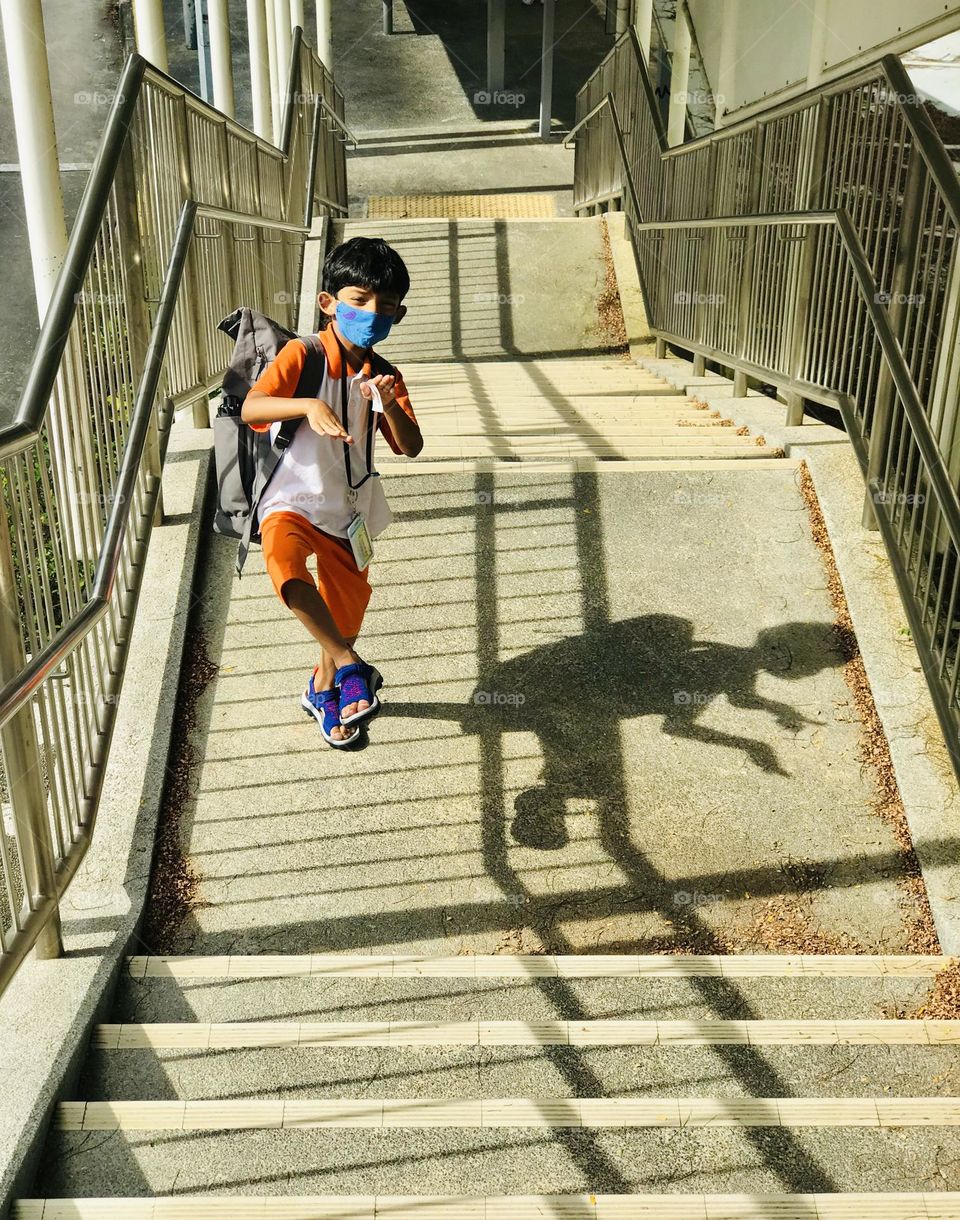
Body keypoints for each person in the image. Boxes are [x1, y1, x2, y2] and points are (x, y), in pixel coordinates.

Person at [241, 236, 423, 747]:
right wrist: (306, 407)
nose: (372, 313)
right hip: (292, 499)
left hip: (349, 511)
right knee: (287, 569)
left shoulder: (385, 373)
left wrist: (388, 404)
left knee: (342, 615)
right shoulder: (305, 354)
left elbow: (411, 446)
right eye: (359, 300)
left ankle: (324, 687)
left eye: (385, 307)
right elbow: (254, 408)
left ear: (398, 315)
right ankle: (349, 667)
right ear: (329, 303)